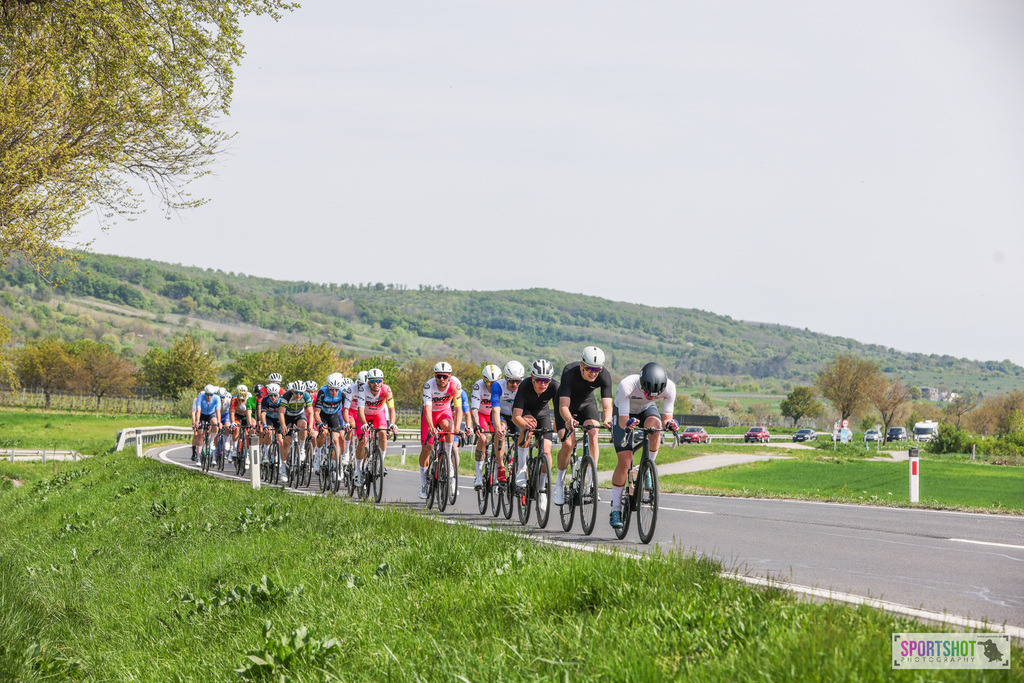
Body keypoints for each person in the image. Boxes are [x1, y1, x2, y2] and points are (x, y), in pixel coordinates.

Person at [609, 362, 679, 528]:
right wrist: (629, 424)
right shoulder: (627, 385)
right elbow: (624, 421)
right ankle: (616, 509)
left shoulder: (669, 387)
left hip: (646, 410)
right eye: (647, 392)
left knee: (655, 429)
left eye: (655, 394)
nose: (651, 395)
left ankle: (647, 468)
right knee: (625, 461)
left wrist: (670, 424)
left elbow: (667, 418)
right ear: (641, 384)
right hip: (623, 412)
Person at [554, 346, 613, 505]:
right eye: (589, 369)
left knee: (593, 434)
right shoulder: (569, 372)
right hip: (565, 406)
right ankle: (559, 483)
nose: (593, 373)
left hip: (587, 404)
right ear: (582, 366)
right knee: (568, 443)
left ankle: (592, 483)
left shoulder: (604, 375)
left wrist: (607, 420)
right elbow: (563, 406)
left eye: (597, 370)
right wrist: (569, 419)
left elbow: (607, 406)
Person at [510, 360, 559, 496]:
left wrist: (558, 423)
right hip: (525, 412)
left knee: (547, 452)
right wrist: (524, 425)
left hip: (543, 414)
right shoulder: (524, 385)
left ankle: (542, 489)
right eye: (539, 380)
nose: (543, 384)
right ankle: (521, 468)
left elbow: (560, 410)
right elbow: (516, 417)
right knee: (529, 427)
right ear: (532, 378)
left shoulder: (555, 386)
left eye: (546, 380)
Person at [418, 361, 463, 499]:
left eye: (444, 376)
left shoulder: (455, 384)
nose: (441, 379)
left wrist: (456, 427)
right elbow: (427, 408)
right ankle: (423, 482)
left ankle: (448, 460)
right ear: (435, 376)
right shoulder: (429, 385)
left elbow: (458, 409)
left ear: (449, 376)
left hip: (444, 412)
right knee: (428, 447)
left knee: (448, 426)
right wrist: (431, 426)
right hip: (430, 414)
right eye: (439, 376)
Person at [355, 368, 398, 487]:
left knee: (383, 434)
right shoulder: (363, 389)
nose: (376, 384)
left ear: (382, 381)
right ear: (368, 382)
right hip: (364, 415)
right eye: (373, 381)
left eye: (379, 381)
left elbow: (391, 409)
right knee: (363, 441)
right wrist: (364, 423)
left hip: (378, 414)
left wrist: (392, 424)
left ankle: (380, 463)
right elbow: (360, 409)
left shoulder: (386, 389)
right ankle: (358, 471)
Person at [489, 360, 524, 483]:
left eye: (518, 381)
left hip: (515, 415)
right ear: (505, 378)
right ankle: (500, 467)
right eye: (511, 381)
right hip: (501, 414)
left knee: (522, 436)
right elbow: (495, 408)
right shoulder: (498, 385)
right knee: (501, 430)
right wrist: (498, 427)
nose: (515, 385)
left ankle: (515, 460)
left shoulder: (523, 386)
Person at [471, 364, 502, 489]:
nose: (491, 386)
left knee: (499, 436)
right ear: (484, 381)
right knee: (483, 439)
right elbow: (474, 409)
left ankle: (498, 472)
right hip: (482, 415)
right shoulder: (479, 385)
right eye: (488, 383)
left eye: (494, 383)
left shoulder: (503, 386)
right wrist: (477, 425)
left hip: (497, 415)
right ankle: (478, 476)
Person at [313, 373, 349, 473]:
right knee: (323, 433)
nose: (334, 392)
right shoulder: (323, 391)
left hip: (334, 415)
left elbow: (345, 410)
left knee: (336, 440)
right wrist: (320, 423)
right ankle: (318, 454)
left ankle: (336, 466)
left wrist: (347, 422)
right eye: (332, 389)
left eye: (336, 389)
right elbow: (316, 412)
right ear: (328, 386)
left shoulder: (342, 392)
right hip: (323, 415)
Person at [279, 381, 312, 484]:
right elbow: (281, 412)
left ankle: (301, 448)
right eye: (297, 393)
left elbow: (310, 412)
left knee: (303, 425)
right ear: (292, 391)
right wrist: (284, 426)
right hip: (288, 417)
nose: (299, 395)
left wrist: (310, 426)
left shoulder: (306, 395)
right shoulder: (286, 396)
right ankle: (283, 468)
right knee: (286, 442)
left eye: (301, 393)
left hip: (299, 415)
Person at [191, 384, 222, 464]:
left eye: (211, 395)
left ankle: (211, 441)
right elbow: (198, 410)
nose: (209, 397)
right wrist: (197, 421)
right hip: (202, 415)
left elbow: (218, 411)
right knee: (200, 433)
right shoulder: (200, 397)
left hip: (211, 414)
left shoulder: (217, 398)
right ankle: (198, 457)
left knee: (215, 423)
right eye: (207, 394)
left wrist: (219, 422)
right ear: (205, 393)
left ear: (213, 394)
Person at [259, 383, 285, 471]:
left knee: (280, 440)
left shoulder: (282, 400)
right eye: (270, 395)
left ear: (278, 394)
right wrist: (265, 424)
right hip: (269, 418)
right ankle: (266, 454)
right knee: (269, 432)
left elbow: (286, 413)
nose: (273, 397)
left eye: (275, 395)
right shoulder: (265, 400)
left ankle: (280, 459)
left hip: (279, 420)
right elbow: (263, 414)